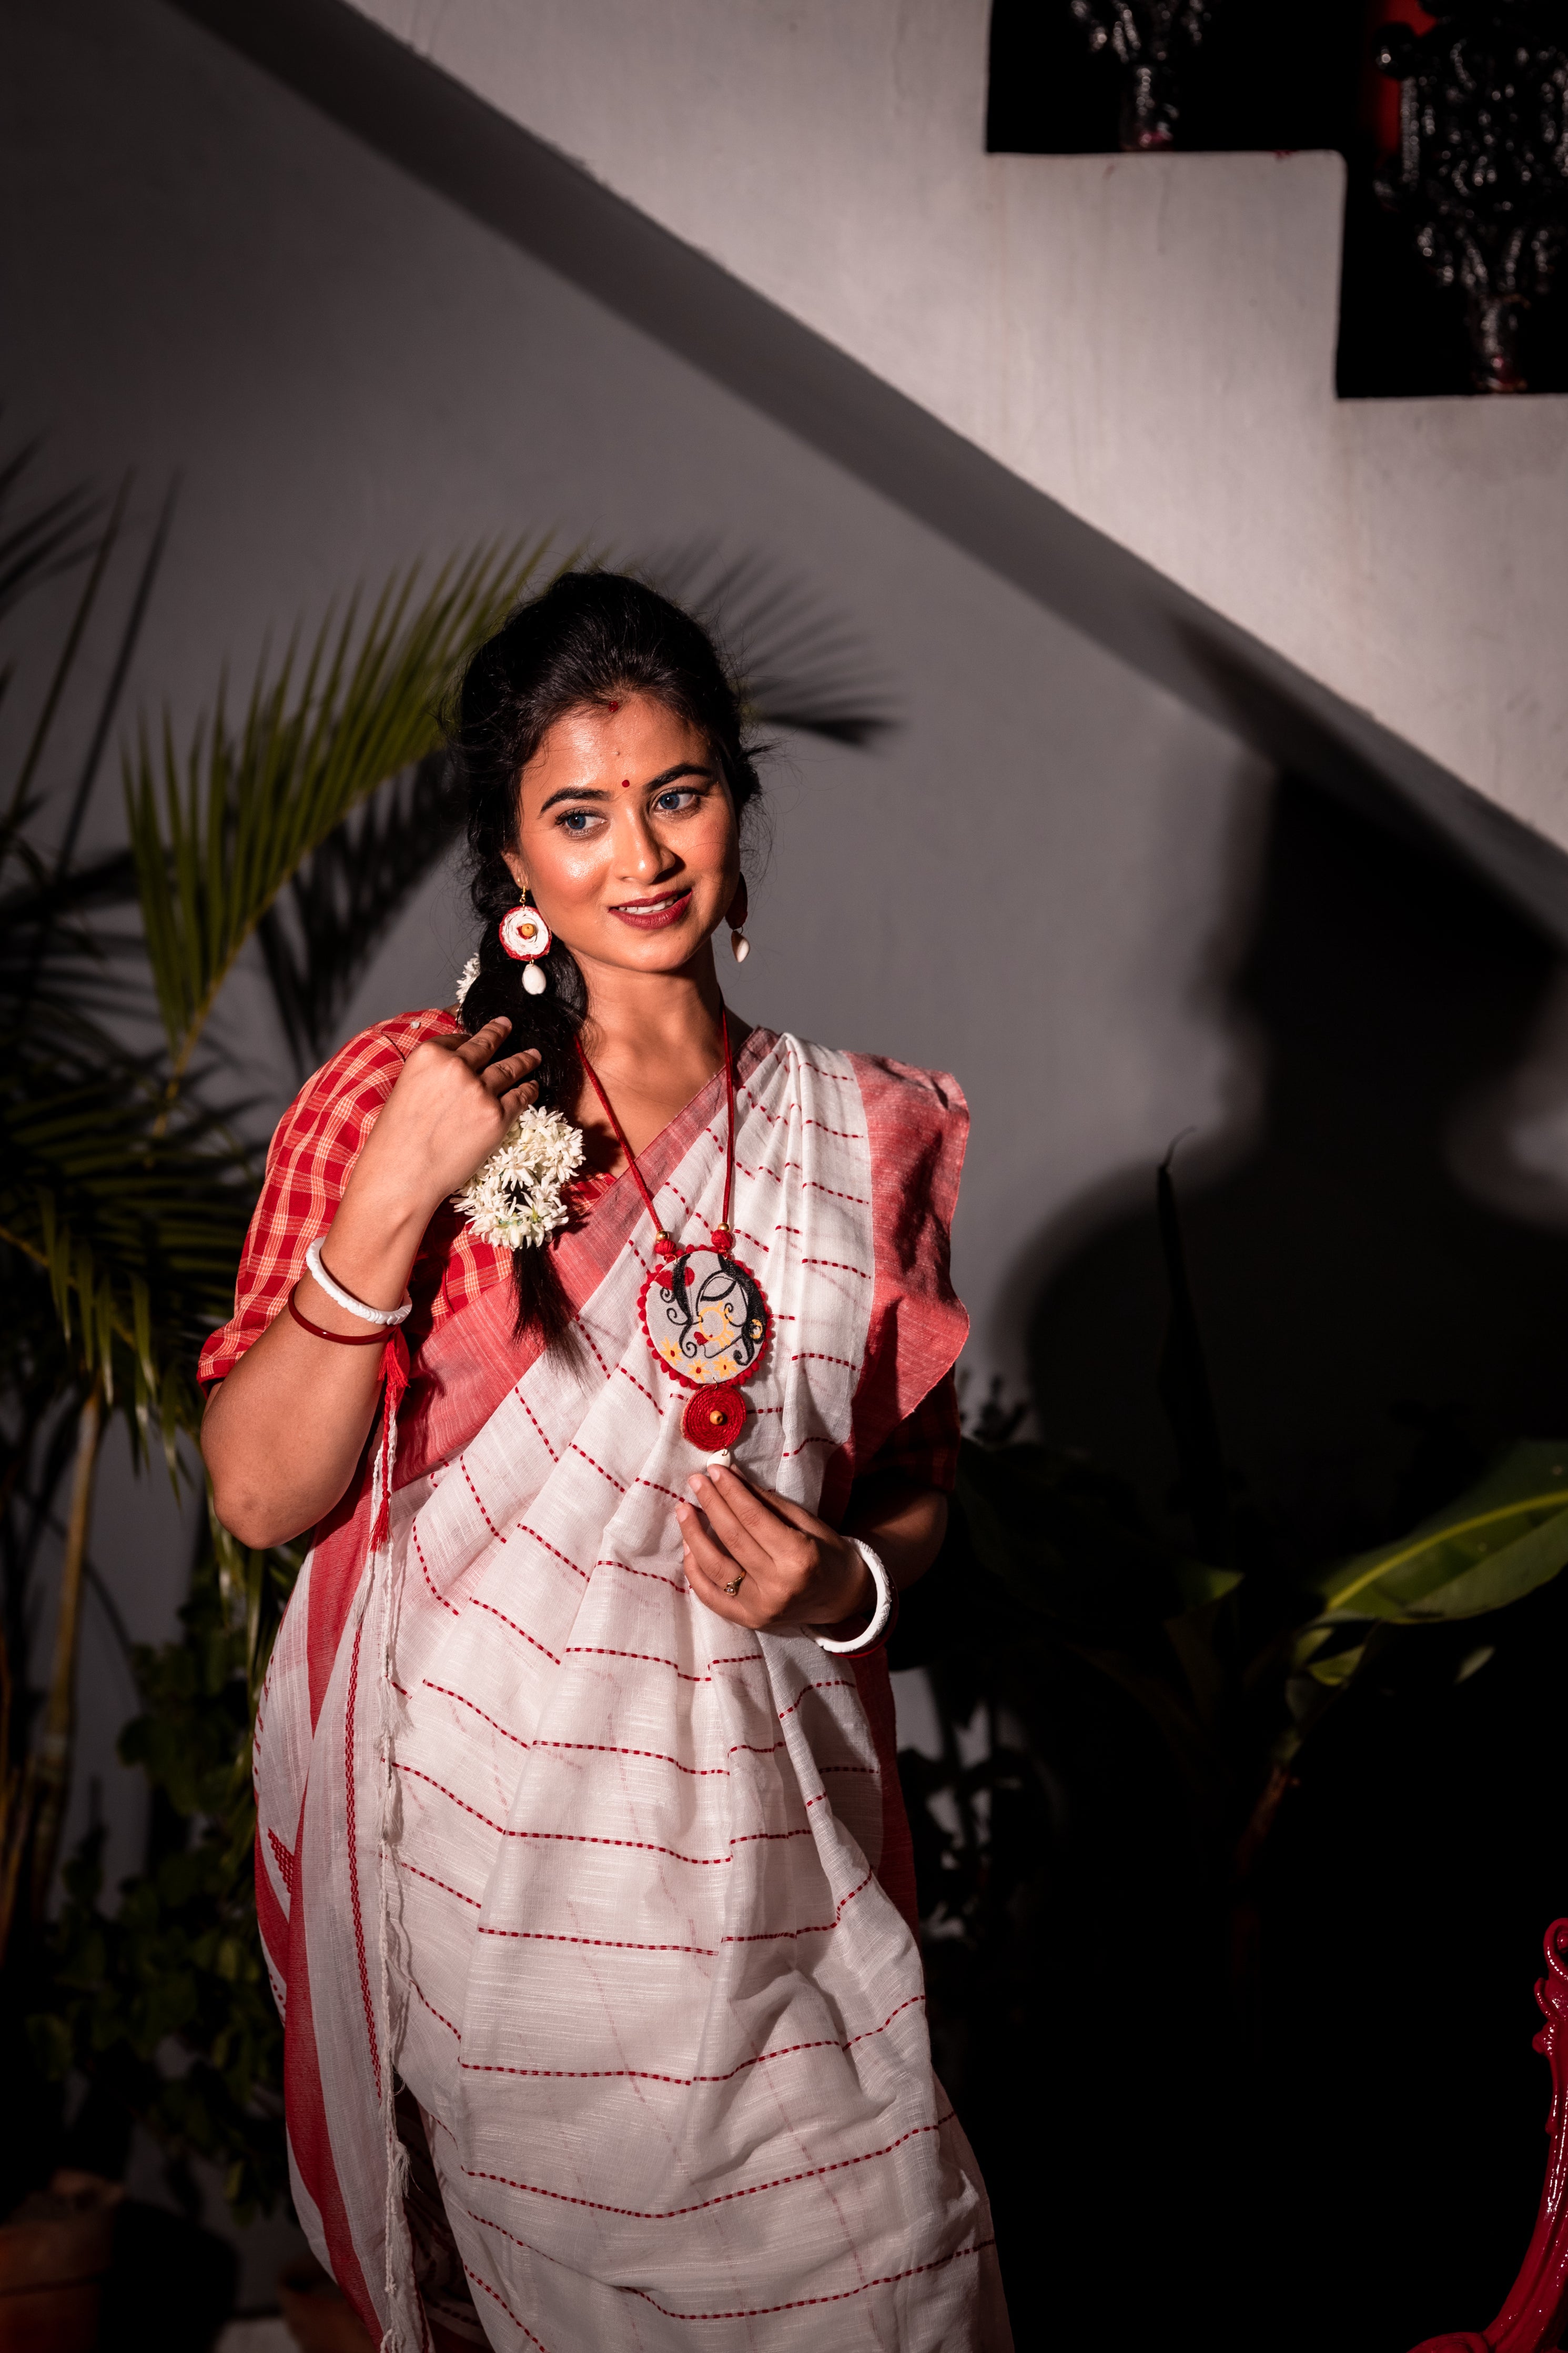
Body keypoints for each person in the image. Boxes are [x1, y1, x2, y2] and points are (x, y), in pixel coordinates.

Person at [201, 572, 1010, 2351]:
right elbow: (261, 1495)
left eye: (681, 793)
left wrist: (849, 1578)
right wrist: (406, 1187)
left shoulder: (866, 1130)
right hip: (510, 1918)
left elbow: (914, 1482)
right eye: (579, 813)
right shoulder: (396, 1093)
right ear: (509, 857)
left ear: (738, 802)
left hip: (788, 1897)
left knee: (898, 2289)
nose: (639, 855)